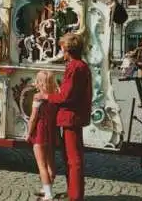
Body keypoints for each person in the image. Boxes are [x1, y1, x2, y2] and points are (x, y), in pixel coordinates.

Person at [34, 33, 92, 201]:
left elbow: (66, 96)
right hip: (72, 115)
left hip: (71, 116)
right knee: (70, 157)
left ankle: (75, 196)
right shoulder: (80, 66)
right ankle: (73, 191)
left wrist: (46, 96)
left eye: (63, 49)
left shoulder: (75, 67)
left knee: (73, 160)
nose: (62, 52)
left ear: (68, 50)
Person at [28, 70, 59, 201]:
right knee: (51, 163)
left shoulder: (37, 97)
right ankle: (47, 188)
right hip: (52, 131)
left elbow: (33, 118)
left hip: (40, 131)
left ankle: (48, 194)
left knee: (41, 165)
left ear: (39, 82)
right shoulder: (56, 96)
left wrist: (29, 133)